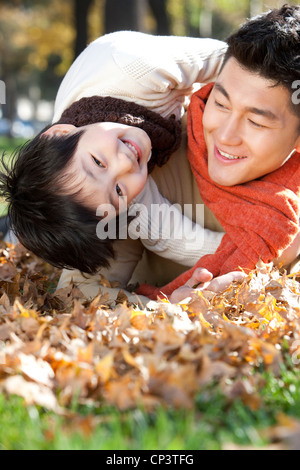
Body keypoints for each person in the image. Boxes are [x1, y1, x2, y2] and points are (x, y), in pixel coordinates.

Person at [0, 31, 230, 304]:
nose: (124, 164)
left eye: (98, 162)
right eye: (118, 189)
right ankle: (12, 230)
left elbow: (237, 61)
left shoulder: (135, 66)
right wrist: (161, 307)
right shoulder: (116, 200)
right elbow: (180, 239)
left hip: (169, 97)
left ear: (60, 133)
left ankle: (9, 229)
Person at [137, 4, 300, 301]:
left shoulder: (292, 202)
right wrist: (166, 311)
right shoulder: (148, 163)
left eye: (256, 121)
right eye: (220, 104)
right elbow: (77, 292)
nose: (224, 135)